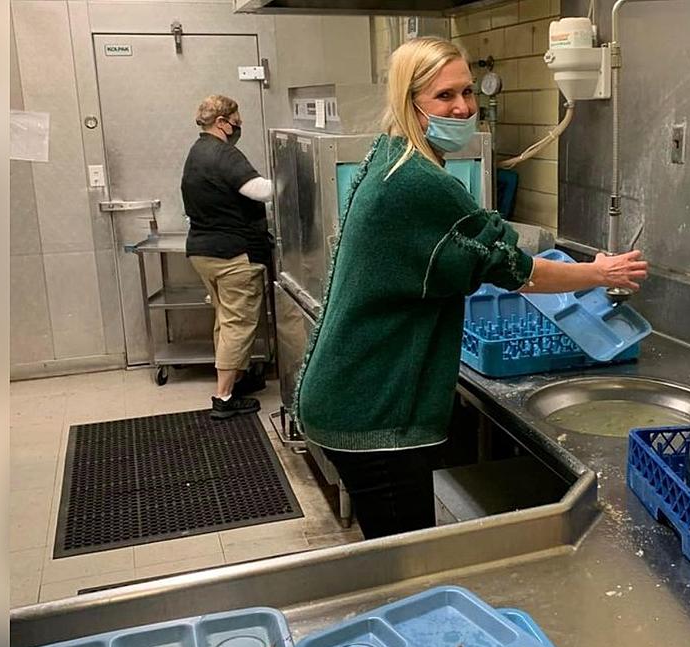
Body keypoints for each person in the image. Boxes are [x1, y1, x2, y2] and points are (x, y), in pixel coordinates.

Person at [295, 38, 648, 538]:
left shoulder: (390, 155)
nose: (462, 107)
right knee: (405, 562)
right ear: (408, 101)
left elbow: (470, 256)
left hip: (350, 393)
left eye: (467, 92)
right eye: (444, 96)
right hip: (374, 411)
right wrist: (600, 272)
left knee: (396, 552)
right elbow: (518, 271)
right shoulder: (418, 182)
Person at [182, 94, 273, 420]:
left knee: (225, 319)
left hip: (202, 251)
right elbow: (260, 191)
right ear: (222, 122)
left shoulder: (196, 152)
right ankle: (223, 397)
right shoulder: (224, 154)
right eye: (236, 118)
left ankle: (236, 380)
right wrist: (294, 178)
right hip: (232, 254)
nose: (240, 124)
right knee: (238, 324)